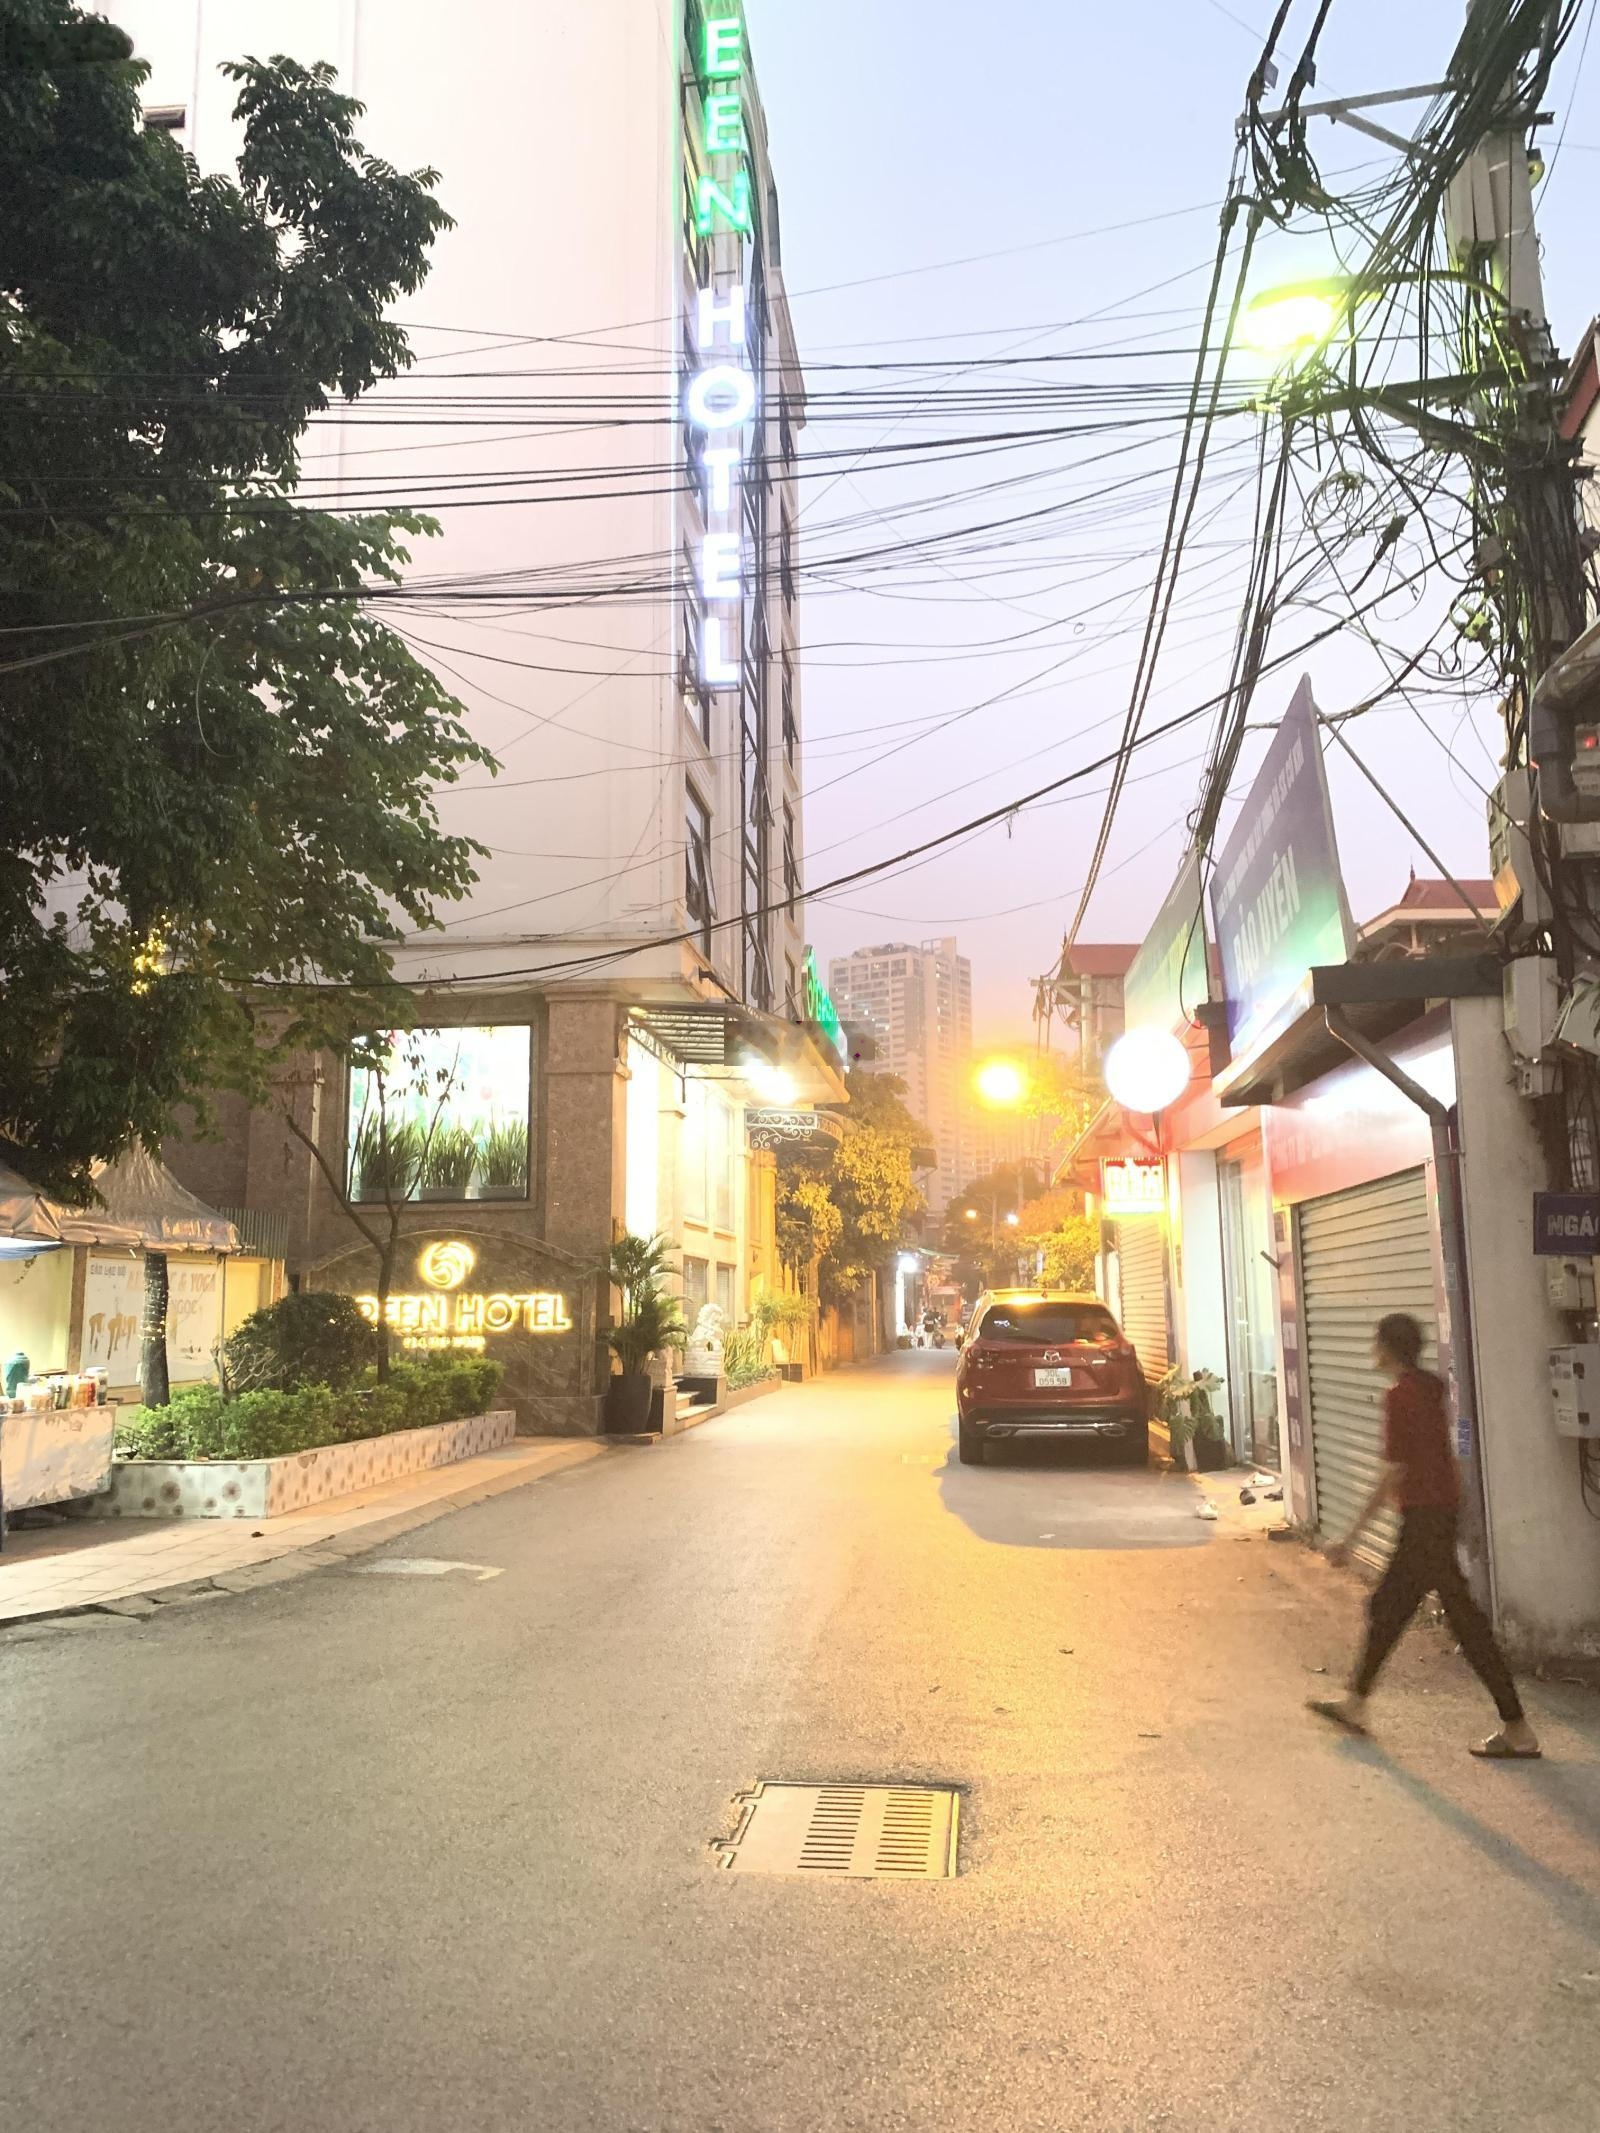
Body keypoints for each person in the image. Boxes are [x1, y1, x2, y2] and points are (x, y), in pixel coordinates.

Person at [1307, 1312, 1540, 1760]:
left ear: (1388, 1348)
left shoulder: (1401, 1396)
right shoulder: (1431, 1389)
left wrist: (1351, 1540)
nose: (1372, 1350)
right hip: (1437, 1518)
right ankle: (1356, 1703)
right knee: (1392, 1610)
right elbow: (1444, 1459)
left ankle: (1517, 1728)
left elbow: (1394, 1473)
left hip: (1423, 1525)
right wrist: (1457, 1513)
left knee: (1458, 1622)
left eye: (1376, 1342)